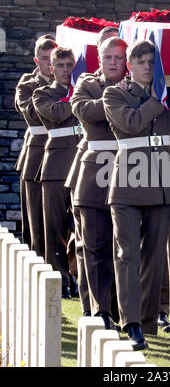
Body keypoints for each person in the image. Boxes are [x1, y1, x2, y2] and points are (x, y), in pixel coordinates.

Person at [103, 39, 170, 350]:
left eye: (152, 62)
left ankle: (148, 322)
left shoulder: (168, 95)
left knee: (154, 258)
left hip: (160, 182)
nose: (148, 67)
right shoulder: (114, 94)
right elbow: (131, 123)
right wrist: (159, 99)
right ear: (129, 66)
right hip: (127, 185)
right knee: (127, 256)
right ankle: (131, 321)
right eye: (142, 62)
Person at [71, 36, 128, 327]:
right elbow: (84, 111)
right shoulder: (86, 84)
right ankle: (99, 310)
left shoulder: (136, 85)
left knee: (125, 247)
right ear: (99, 60)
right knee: (94, 244)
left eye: (119, 58)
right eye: (108, 58)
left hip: (131, 170)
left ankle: (122, 311)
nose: (114, 63)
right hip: (94, 170)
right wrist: (119, 101)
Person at [32, 47, 82, 298]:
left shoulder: (84, 90)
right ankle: (61, 281)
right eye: (60, 65)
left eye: (69, 65)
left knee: (82, 226)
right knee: (55, 227)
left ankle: (78, 276)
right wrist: (78, 97)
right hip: (55, 166)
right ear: (51, 69)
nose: (65, 70)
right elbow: (57, 114)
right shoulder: (42, 94)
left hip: (82, 164)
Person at [15, 37, 58, 258]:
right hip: (37, 156)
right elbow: (34, 114)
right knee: (36, 222)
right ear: (36, 60)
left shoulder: (71, 82)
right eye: (44, 59)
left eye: (53, 58)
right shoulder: (27, 85)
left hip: (64, 156)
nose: (49, 64)